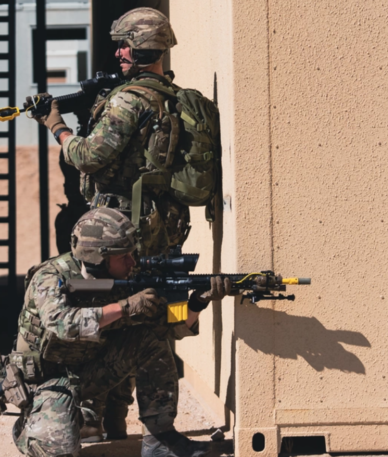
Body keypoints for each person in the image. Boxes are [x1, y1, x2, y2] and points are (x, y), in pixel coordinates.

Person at [27, 7, 211, 442]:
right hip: (162, 225)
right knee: (156, 315)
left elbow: (88, 156)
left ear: (142, 46)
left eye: (125, 44)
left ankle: (95, 414)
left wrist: (56, 127)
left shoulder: (129, 100)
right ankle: (133, 421)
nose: (119, 52)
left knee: (111, 314)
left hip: (120, 230)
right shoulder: (172, 96)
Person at [12, 208, 229, 457]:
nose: (132, 262)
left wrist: (197, 304)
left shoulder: (124, 277)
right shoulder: (50, 277)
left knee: (148, 339)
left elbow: (166, 322)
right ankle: (29, 423)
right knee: (59, 449)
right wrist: (124, 308)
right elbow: (63, 323)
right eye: (123, 256)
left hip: (87, 374)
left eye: (132, 254)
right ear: (98, 257)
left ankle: (160, 440)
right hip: (46, 383)